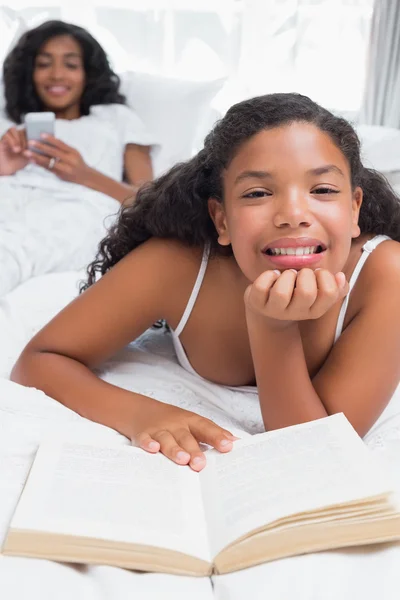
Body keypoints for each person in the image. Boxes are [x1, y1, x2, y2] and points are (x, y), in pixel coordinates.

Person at [11, 93, 400, 472]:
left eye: (323, 190)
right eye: (258, 193)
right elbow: (39, 361)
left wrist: (272, 326)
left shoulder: (386, 274)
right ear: (222, 219)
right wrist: (141, 413)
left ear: (354, 209)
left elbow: (309, 453)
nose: (293, 214)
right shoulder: (176, 264)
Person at [0, 20, 156, 296]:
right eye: (44, 64)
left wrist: (84, 174)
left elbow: (150, 202)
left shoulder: (115, 119)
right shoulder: (9, 124)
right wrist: (4, 167)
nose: (57, 75)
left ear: (87, 73)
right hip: (11, 191)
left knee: (14, 249)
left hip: (78, 205)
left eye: (70, 65)